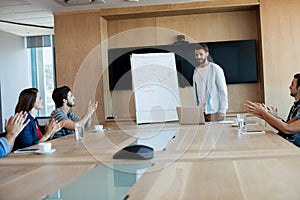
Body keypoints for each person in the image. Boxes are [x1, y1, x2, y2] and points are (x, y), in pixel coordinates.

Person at [245, 73, 300, 146]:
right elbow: (287, 125)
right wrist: (272, 116)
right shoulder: (296, 105)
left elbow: (287, 129)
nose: (289, 87)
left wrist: (264, 113)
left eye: (292, 84)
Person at [193, 44, 228, 121]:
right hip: (201, 112)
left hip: (214, 112)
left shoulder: (215, 68)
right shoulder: (196, 71)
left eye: (201, 54)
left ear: (207, 54)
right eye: (196, 55)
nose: (198, 57)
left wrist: (223, 110)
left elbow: (223, 91)